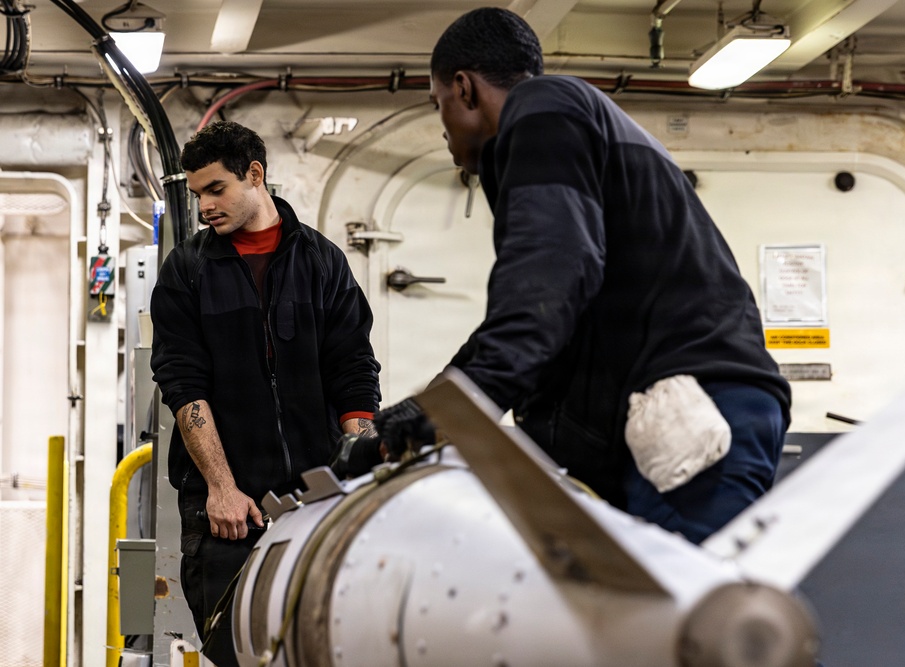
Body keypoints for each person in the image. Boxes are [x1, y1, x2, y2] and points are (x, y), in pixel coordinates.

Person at [379, 6, 791, 546]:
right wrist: (432, 406)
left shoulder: (543, 107)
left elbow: (549, 286)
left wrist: (455, 415)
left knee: (689, 621)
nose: (443, 129)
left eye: (439, 106)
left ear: (465, 88)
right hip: (676, 405)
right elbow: (544, 310)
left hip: (688, 407)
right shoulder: (571, 124)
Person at [150, 121, 380, 666]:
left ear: (255, 176)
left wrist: (361, 462)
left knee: (321, 645)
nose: (204, 206)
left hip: (315, 496)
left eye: (215, 189)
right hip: (230, 511)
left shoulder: (322, 261)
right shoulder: (187, 272)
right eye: (196, 192)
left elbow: (352, 367)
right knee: (234, 651)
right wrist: (222, 490)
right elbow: (185, 387)